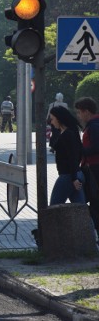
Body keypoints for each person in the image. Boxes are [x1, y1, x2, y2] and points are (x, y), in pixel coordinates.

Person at [48, 105, 85, 205]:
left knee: (54, 208)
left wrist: (74, 178)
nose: (51, 122)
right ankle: (89, 222)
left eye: (52, 119)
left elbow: (73, 157)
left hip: (68, 176)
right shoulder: (67, 132)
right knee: (81, 210)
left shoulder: (68, 134)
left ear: (59, 118)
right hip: (73, 175)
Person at [74, 97, 99, 240]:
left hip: (95, 169)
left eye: (79, 112)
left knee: (95, 203)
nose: (78, 115)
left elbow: (96, 147)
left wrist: (80, 150)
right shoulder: (93, 124)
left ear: (87, 112)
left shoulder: (94, 126)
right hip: (92, 169)